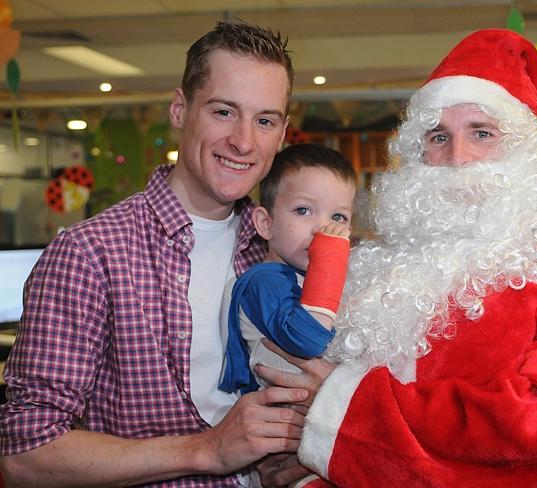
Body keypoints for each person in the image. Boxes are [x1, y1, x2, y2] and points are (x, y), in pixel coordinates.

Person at [257, 29, 537, 487]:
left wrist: (344, 411)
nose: (458, 158)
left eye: (482, 133)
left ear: (528, 154)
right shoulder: (384, 264)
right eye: (439, 136)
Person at [0, 20, 309, 487]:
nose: (244, 141)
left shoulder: (284, 252)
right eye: (224, 112)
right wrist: (207, 450)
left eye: (264, 120)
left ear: (282, 132)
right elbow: (25, 455)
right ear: (181, 110)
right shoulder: (89, 254)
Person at [219, 143, 356, 396]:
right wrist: (329, 259)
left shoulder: (305, 279)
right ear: (265, 223)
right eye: (303, 210)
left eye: (338, 217)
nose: (322, 228)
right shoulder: (263, 281)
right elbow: (308, 340)